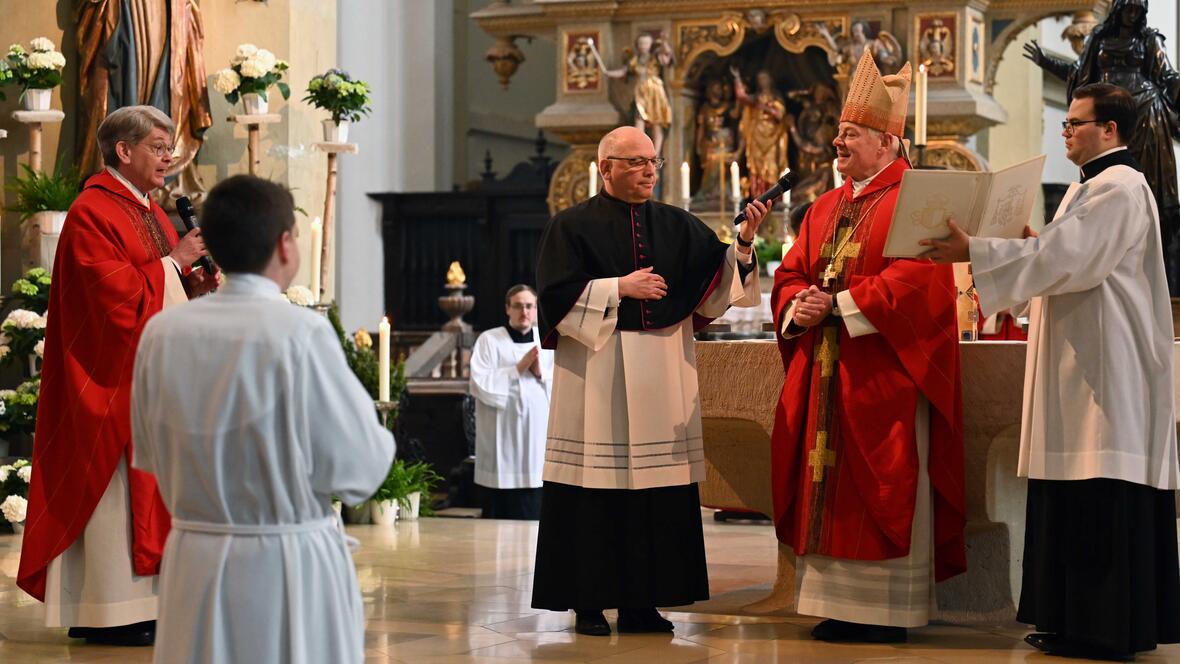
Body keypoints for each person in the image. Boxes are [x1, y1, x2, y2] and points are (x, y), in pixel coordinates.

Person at [922, 82, 1180, 661]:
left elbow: (1066, 259)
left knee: (1100, 496)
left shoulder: (1120, 186)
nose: (1065, 131)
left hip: (1107, 376)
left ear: (1109, 130)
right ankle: (1069, 619)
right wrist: (1019, 245)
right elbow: (1060, 255)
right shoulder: (1089, 189)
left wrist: (978, 251)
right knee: (1071, 498)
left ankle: (1107, 628)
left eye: (1076, 123)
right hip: (1078, 366)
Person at [130, 174, 396, 663]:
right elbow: (361, 466)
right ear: (286, 244)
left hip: (194, 559)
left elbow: (146, 452)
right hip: (284, 562)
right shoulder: (299, 331)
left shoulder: (162, 333)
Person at [532, 125, 772, 636]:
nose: (648, 171)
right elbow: (553, 298)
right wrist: (619, 286)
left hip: (662, 368)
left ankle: (642, 602)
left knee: (653, 493)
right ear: (606, 168)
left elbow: (716, 284)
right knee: (593, 487)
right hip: (596, 370)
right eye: (636, 162)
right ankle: (588, 603)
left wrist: (745, 241)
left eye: (653, 162)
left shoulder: (678, 225)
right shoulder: (570, 226)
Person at [770, 50, 965, 644]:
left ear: (886, 141)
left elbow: (920, 280)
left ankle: (885, 614)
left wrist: (841, 305)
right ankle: (835, 605)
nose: (838, 142)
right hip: (827, 368)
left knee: (882, 480)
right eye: (838, 132)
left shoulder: (919, 197)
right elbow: (791, 273)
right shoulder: (825, 207)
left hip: (885, 375)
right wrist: (798, 303)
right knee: (826, 482)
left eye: (850, 133)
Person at [17, 105, 214, 646]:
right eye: (156, 144)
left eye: (170, 144)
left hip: (145, 376)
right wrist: (172, 265)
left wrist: (189, 282)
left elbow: (154, 286)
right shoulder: (92, 210)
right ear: (123, 151)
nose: (168, 155)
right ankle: (107, 610)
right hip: (104, 379)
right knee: (111, 498)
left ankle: (137, 605)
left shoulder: (147, 208)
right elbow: (111, 300)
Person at [1024, 0, 1180, 293]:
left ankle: (1164, 279)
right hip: (1104, 108)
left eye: (1139, 7)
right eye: (1129, 6)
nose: (1133, 11)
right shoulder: (1098, 38)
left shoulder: (1149, 39)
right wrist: (1047, 61)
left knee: (1153, 197)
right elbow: (1080, 74)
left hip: (1146, 114)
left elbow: (1168, 78)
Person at [469, 284, 554, 520]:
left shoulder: (547, 340)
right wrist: (518, 368)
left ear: (536, 310)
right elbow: (479, 383)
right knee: (500, 509)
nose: (524, 311)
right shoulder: (490, 340)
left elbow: (562, 383)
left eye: (529, 306)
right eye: (517, 306)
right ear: (507, 308)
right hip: (502, 436)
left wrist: (539, 372)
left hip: (536, 436)